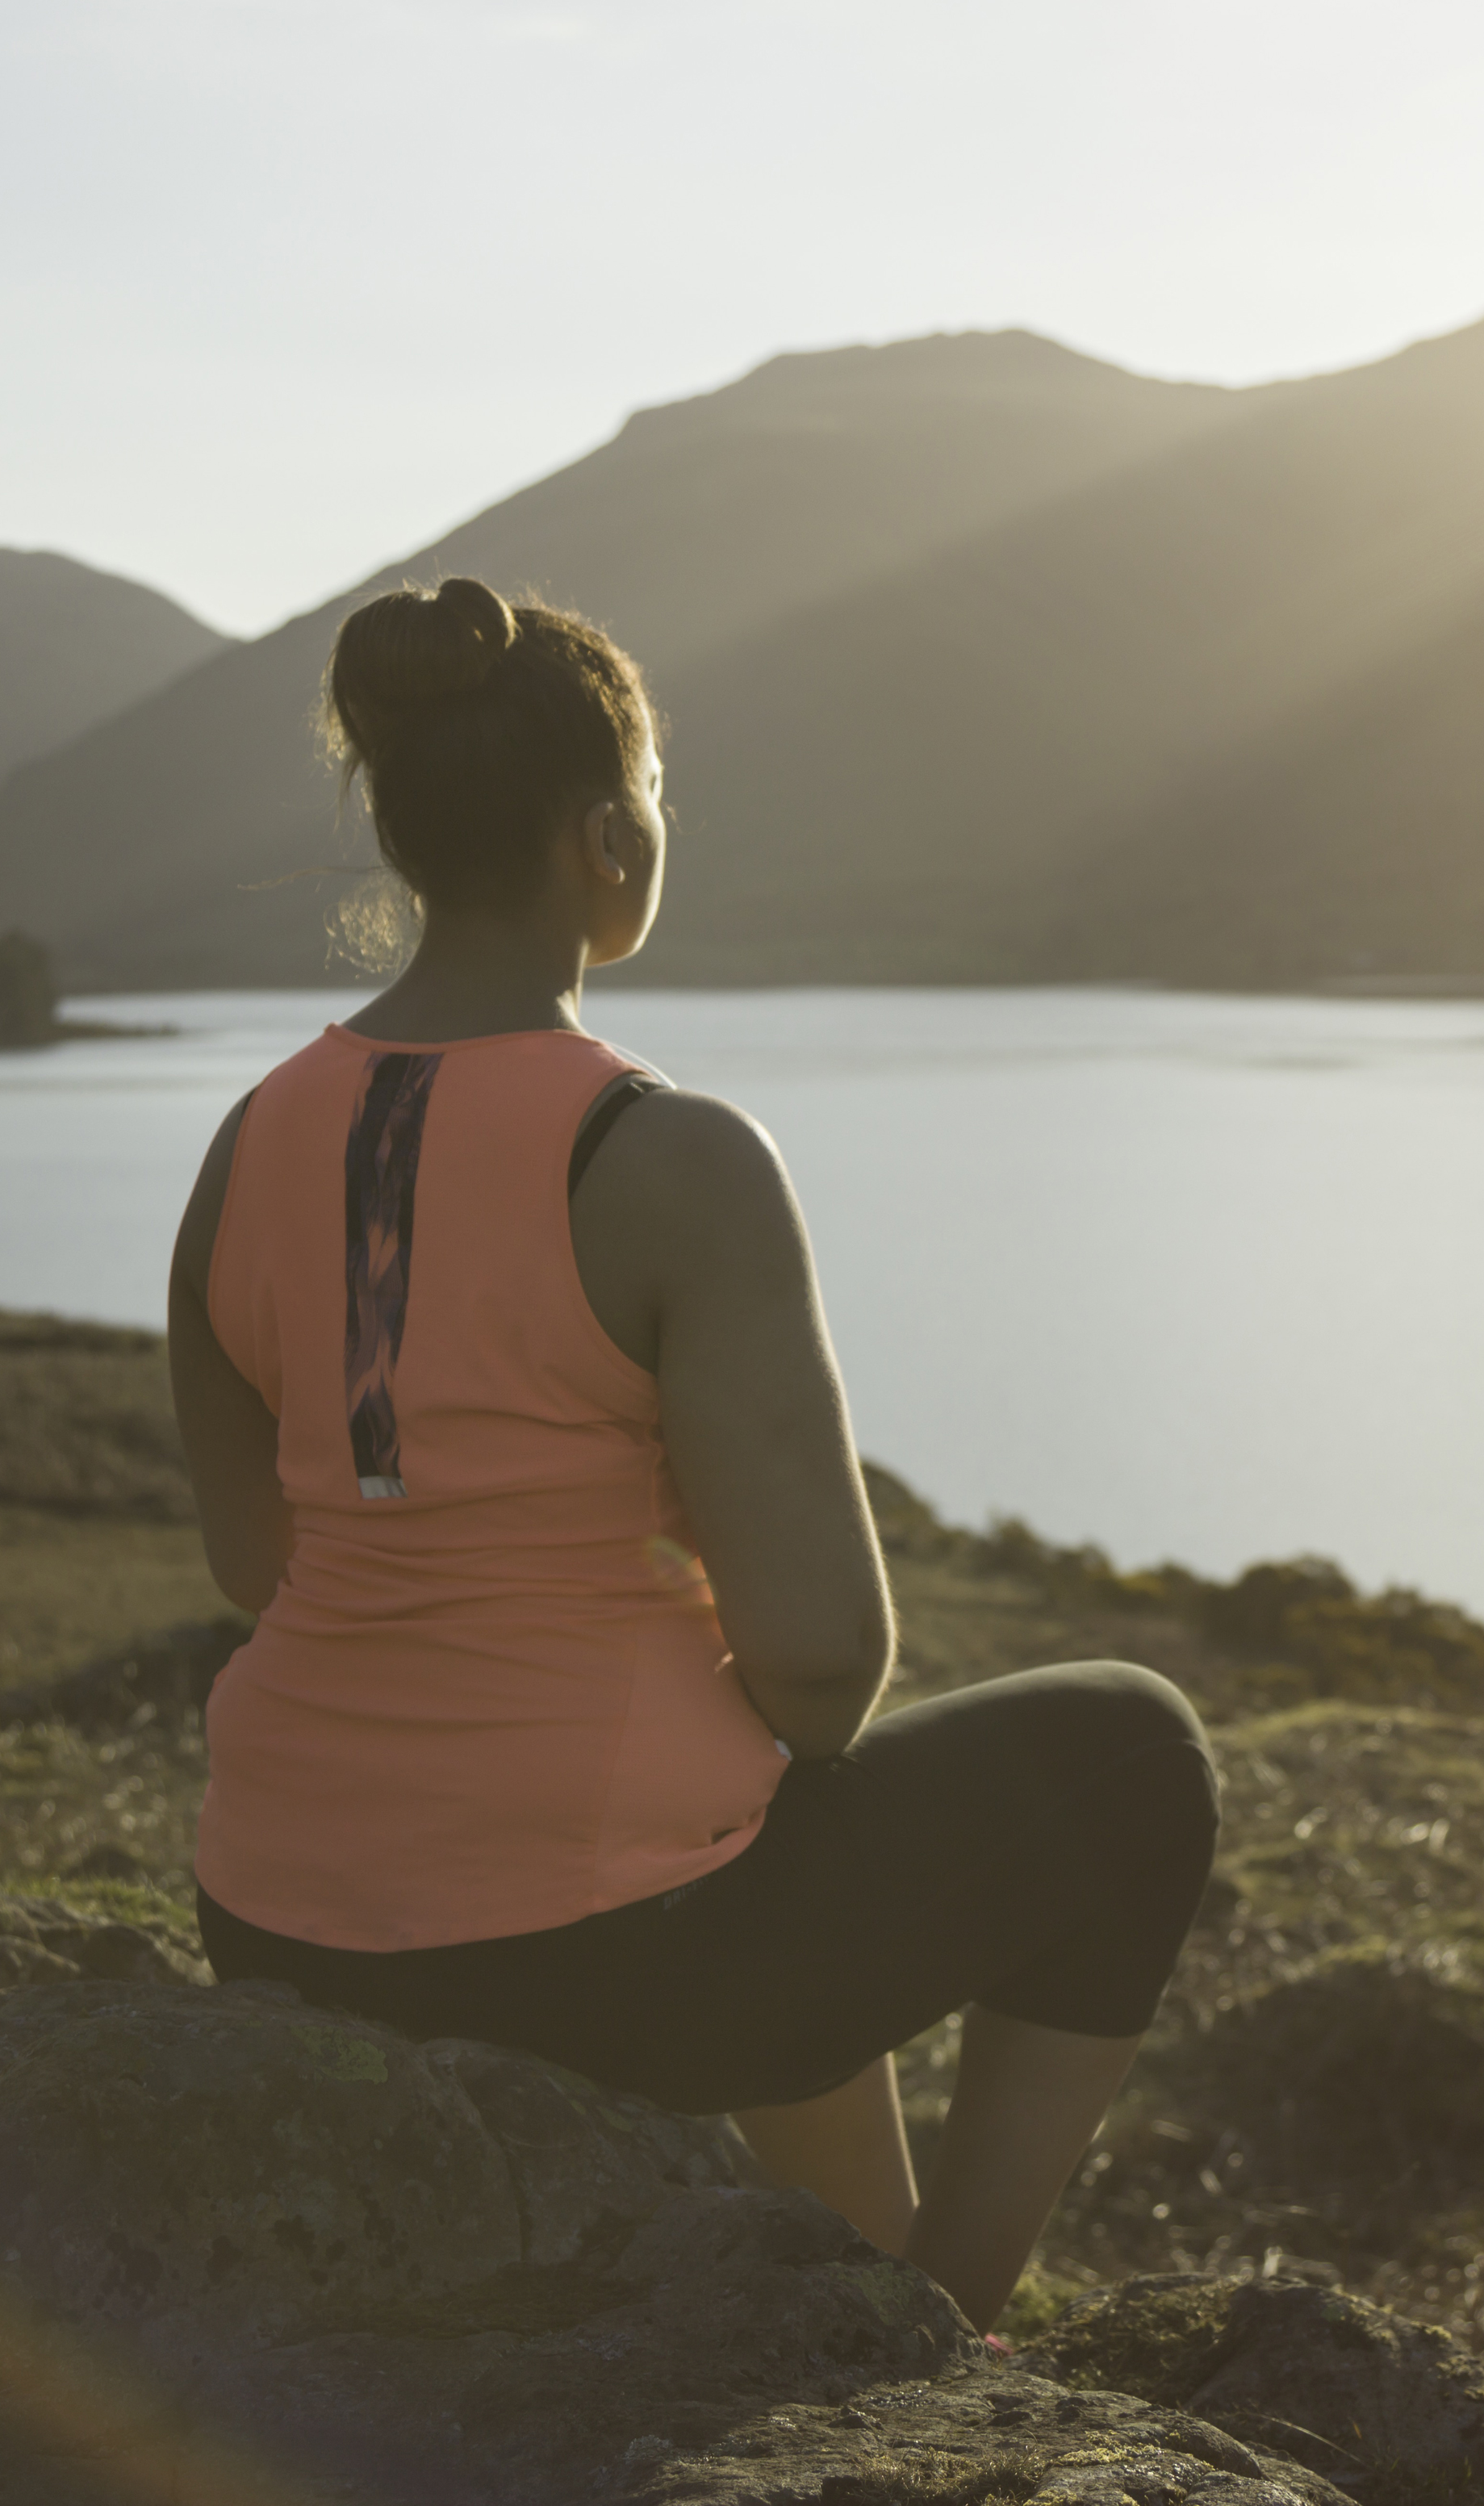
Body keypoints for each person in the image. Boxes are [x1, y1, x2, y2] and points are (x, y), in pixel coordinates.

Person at [167, 575, 1215, 2332]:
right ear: (606, 840)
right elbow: (822, 1671)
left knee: (734, 1794)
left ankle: (861, 2281)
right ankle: (945, 2328)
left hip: (276, 1921)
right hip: (594, 1969)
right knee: (1131, 1752)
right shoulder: (666, 1158)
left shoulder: (245, 1138)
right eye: (655, 797)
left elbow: (257, 1569)